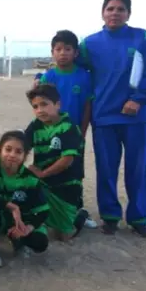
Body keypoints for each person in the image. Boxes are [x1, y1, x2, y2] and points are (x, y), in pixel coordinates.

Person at [78, 0, 146, 237]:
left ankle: (138, 218)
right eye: (110, 8)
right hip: (104, 117)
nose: (115, 13)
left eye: (120, 9)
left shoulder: (143, 38)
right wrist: (44, 78)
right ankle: (110, 216)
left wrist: (138, 99)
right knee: (106, 169)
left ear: (128, 14)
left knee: (137, 169)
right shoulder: (89, 44)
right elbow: (75, 71)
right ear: (102, 13)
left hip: (137, 118)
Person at [37, 30, 97, 228]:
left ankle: (78, 210)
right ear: (52, 52)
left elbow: (87, 106)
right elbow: (40, 106)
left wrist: (82, 131)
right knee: (50, 170)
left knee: (75, 173)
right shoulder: (48, 77)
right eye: (58, 49)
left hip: (75, 134)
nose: (63, 53)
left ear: (76, 53)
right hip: (51, 134)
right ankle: (50, 211)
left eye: (68, 49)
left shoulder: (84, 77)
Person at [24, 84, 89, 240]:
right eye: (35, 107)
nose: (40, 110)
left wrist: (42, 174)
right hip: (42, 183)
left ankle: (81, 215)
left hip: (66, 185)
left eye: (44, 104)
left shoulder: (69, 127)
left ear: (57, 104)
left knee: (64, 236)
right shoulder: (35, 125)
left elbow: (67, 160)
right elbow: (22, 147)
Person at [0, 131, 50, 268]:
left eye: (18, 152)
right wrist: (11, 206)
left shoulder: (30, 179)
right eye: (8, 149)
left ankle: (18, 241)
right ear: (0, 150)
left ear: (25, 156)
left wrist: (27, 228)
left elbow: (44, 211)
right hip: (0, 215)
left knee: (40, 242)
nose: (12, 155)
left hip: (20, 219)